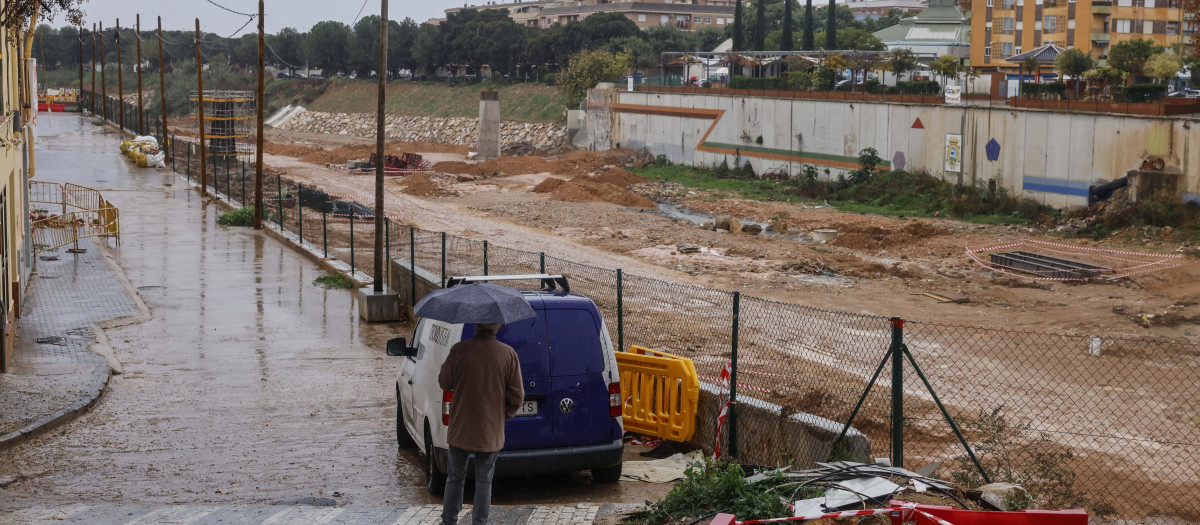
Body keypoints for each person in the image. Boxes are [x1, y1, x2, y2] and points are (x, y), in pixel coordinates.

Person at [437, 322, 524, 525]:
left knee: (455, 477)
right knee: (484, 480)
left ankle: (449, 520)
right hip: (491, 429)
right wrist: (504, 415)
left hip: (461, 427)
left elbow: (443, 382)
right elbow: (517, 395)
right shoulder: (508, 354)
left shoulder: (459, 350)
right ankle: (480, 522)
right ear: (499, 326)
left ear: (477, 324)